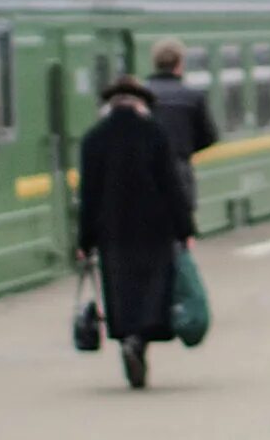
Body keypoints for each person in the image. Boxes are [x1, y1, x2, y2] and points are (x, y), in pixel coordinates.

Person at [76, 77, 195, 390]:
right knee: (153, 291)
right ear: (139, 104)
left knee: (122, 292)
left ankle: (129, 338)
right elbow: (172, 186)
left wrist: (84, 241)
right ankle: (140, 342)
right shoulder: (155, 134)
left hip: (112, 232)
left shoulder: (93, 140)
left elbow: (88, 195)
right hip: (155, 230)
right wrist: (185, 230)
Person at [141, 39, 219, 211]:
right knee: (180, 226)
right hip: (180, 171)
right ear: (179, 64)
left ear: (155, 64)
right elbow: (210, 136)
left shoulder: (140, 98)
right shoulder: (193, 97)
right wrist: (185, 149)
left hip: (145, 173)